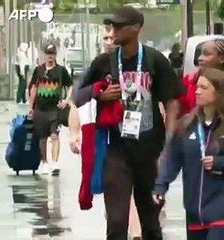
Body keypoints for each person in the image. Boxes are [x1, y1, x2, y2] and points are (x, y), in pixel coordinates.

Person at [79, 6, 182, 239]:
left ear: (136, 28)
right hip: (116, 151)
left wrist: (168, 145)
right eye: (111, 25)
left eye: (118, 25)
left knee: (151, 222)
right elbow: (78, 97)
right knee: (116, 223)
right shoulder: (104, 62)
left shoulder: (155, 60)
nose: (113, 30)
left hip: (149, 150)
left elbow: (172, 104)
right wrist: (99, 94)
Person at [153, 67, 224, 240]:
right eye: (197, 86)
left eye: (204, 87)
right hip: (195, 210)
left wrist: (221, 163)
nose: (197, 91)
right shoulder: (186, 124)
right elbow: (172, 159)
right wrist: (160, 186)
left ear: (218, 93)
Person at [28, 43, 73, 175]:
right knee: (42, 138)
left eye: (52, 54)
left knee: (55, 136)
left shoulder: (61, 70)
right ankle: (45, 163)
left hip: (55, 110)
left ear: (55, 55)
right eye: (48, 54)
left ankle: (55, 162)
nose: (50, 56)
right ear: (44, 55)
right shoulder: (39, 70)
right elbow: (34, 88)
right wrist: (30, 107)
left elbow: (70, 85)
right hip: (40, 110)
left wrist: (67, 100)